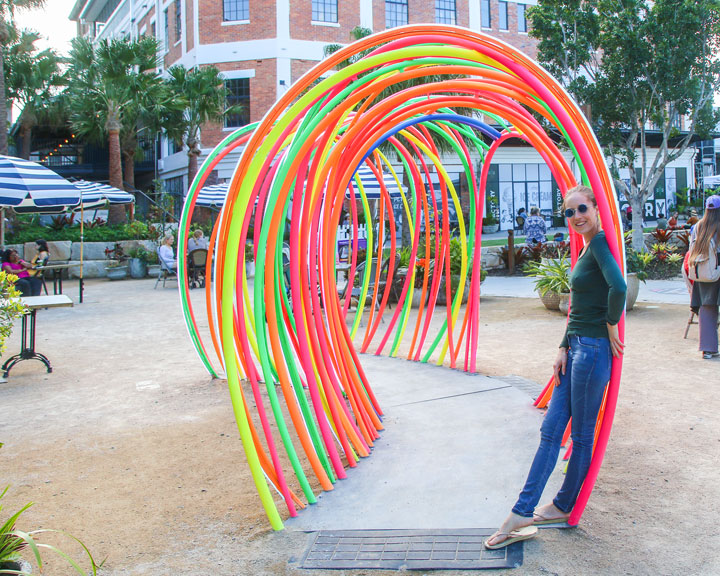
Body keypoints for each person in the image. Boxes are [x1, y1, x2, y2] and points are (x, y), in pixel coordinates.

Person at [485, 184, 626, 550]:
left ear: (595, 208)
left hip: (594, 351)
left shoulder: (598, 243)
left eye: (581, 209)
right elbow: (580, 303)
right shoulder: (585, 246)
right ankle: (530, 509)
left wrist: (610, 324)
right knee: (551, 429)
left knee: (579, 435)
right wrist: (564, 345)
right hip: (577, 348)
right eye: (568, 213)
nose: (576, 217)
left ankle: (550, 507)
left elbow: (619, 288)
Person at [689, 195, 720, 359]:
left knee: (707, 309)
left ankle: (708, 349)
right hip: (717, 273)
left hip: (702, 274)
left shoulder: (699, 226)